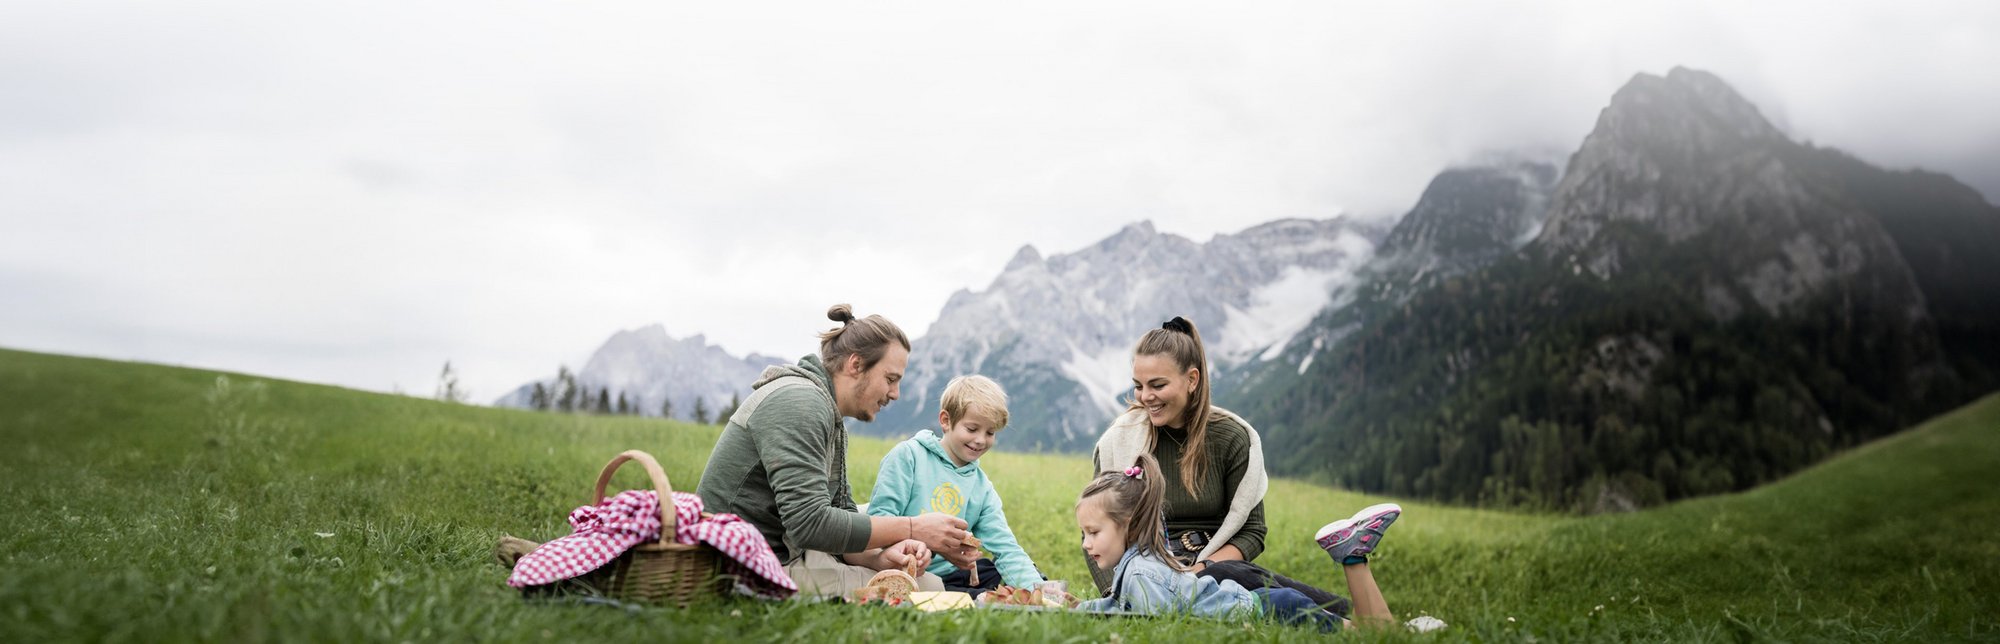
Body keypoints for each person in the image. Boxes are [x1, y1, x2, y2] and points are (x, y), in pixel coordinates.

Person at [696, 304, 976, 596]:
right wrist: (913, 528)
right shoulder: (800, 404)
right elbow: (810, 524)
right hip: (744, 567)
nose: (895, 394)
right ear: (855, 365)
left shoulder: (827, 411)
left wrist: (878, 558)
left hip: (782, 547)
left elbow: (838, 512)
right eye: (890, 379)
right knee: (930, 588)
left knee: (901, 564)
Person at [1088, 315, 1351, 615]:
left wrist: (1201, 570)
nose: (1146, 397)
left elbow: (1252, 531)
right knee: (1277, 597)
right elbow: (1097, 526)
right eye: (1138, 386)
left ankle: (1355, 618)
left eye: (1158, 385)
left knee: (1247, 580)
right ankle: (1349, 618)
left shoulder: (1232, 438)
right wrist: (1117, 596)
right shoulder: (1119, 440)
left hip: (1217, 564)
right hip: (1146, 573)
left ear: (1192, 379)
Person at [1073, 453, 1405, 632]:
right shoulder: (1138, 564)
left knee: (1372, 636)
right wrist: (1080, 609)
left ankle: (1353, 557)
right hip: (1267, 604)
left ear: (1129, 525)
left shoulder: (1141, 572)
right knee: (1373, 631)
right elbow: (1125, 610)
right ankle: (1353, 556)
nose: (1086, 544)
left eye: (1094, 532)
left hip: (1275, 612)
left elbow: (1160, 629)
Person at [867, 375, 1044, 597]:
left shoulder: (982, 486)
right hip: (912, 570)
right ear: (946, 421)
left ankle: (1041, 594)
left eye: (990, 433)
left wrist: (1039, 591)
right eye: (972, 429)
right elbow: (879, 519)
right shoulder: (908, 457)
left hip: (958, 572)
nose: (981, 440)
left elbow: (1005, 547)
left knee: (1005, 574)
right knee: (970, 597)